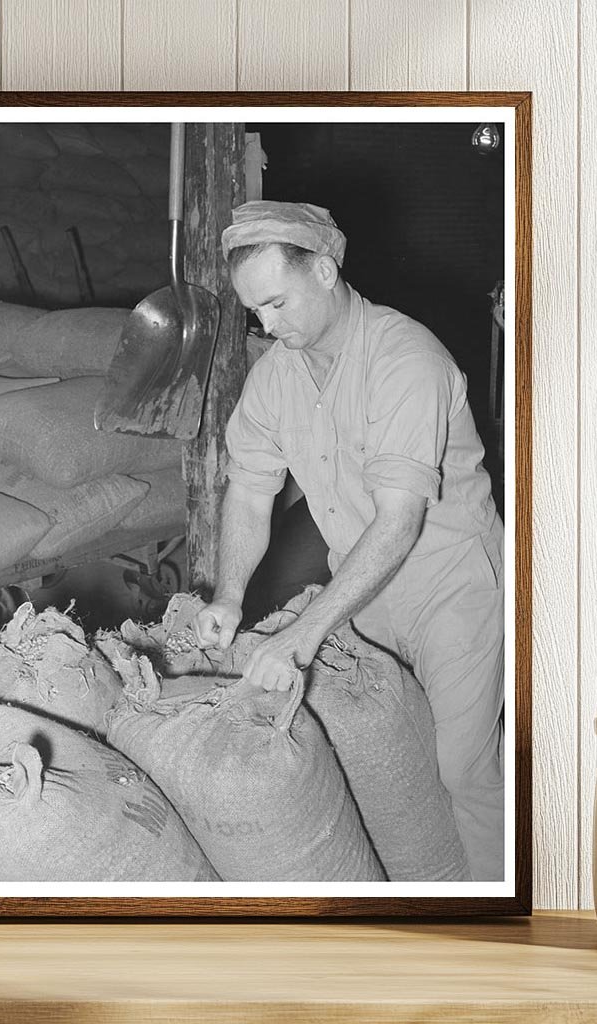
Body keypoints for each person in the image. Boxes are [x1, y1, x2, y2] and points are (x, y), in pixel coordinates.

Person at [191, 200, 505, 881]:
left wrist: (300, 635)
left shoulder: (406, 360)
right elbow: (249, 488)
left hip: (449, 586)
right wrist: (228, 597)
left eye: (276, 304)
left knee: (464, 765)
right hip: (364, 592)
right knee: (401, 745)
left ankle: (500, 922)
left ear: (326, 272)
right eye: (255, 314)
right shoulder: (276, 376)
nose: (267, 327)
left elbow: (399, 523)